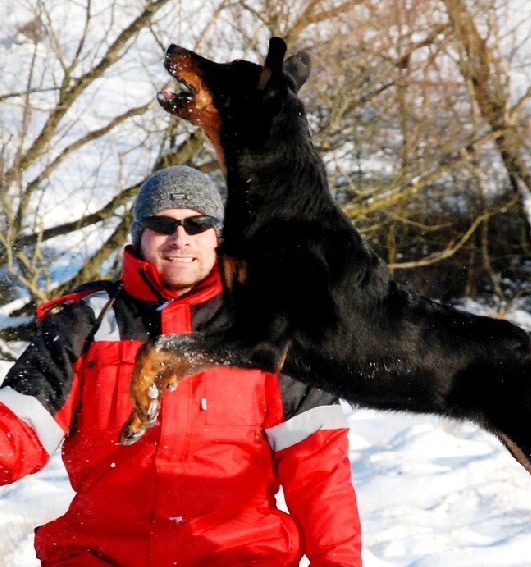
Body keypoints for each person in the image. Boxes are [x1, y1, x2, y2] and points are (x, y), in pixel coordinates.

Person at [0, 166, 362, 566]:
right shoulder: (86, 322)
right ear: (139, 236)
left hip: (238, 553)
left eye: (197, 224)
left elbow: (318, 467)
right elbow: (15, 429)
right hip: (103, 552)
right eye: (162, 224)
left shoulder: (269, 329)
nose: (180, 239)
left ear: (217, 237)